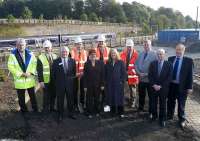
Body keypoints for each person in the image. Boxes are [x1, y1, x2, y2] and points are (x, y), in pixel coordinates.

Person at [7, 38, 38, 113]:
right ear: (16, 45)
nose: (21, 46)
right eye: (19, 45)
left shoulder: (30, 53)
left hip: (29, 79)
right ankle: (24, 112)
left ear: (25, 45)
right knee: (21, 98)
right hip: (20, 81)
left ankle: (35, 110)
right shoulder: (12, 55)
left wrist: (31, 72)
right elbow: (10, 67)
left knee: (33, 97)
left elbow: (34, 63)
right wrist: (21, 74)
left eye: (23, 45)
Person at [167, 43, 194, 128]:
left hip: (182, 86)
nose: (178, 51)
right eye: (177, 49)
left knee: (181, 103)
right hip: (171, 85)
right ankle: (169, 115)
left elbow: (190, 75)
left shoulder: (189, 61)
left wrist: (190, 87)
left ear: (183, 51)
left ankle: (181, 119)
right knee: (170, 101)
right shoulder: (170, 59)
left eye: (180, 50)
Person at [51, 46, 76, 122]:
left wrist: (72, 83)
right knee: (60, 101)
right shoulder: (55, 62)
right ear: (60, 53)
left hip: (69, 85)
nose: (64, 53)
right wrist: (57, 84)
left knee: (70, 100)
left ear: (68, 52)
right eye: (63, 52)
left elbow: (73, 73)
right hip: (60, 85)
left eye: (66, 52)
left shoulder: (72, 61)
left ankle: (71, 113)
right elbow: (53, 75)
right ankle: (60, 114)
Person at [148, 49, 172, 127]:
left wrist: (160, 86)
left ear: (164, 55)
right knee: (153, 103)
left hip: (163, 88)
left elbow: (169, 77)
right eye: (158, 54)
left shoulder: (169, 64)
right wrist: (154, 85)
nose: (159, 56)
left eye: (161, 54)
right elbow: (150, 76)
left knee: (163, 104)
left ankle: (162, 119)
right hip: (153, 87)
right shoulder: (152, 64)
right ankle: (154, 116)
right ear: (156, 55)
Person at [135, 40, 157, 117]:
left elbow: (155, 68)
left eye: (147, 45)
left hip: (149, 80)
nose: (146, 46)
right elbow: (136, 64)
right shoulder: (140, 54)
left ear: (150, 45)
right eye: (145, 45)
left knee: (151, 96)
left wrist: (147, 74)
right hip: (141, 79)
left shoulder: (154, 55)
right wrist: (139, 73)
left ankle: (151, 111)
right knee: (141, 94)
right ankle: (140, 108)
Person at [37, 40, 57, 112]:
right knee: (46, 96)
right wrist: (41, 81)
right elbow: (39, 71)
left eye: (48, 47)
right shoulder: (40, 57)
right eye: (45, 48)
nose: (47, 49)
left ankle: (52, 108)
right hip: (46, 80)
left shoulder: (55, 56)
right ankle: (45, 109)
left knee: (53, 94)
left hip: (54, 80)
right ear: (43, 48)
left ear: (51, 48)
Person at [105, 49, 126, 118]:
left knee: (120, 98)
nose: (113, 54)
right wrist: (106, 82)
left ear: (117, 54)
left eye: (114, 53)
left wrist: (122, 81)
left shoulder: (121, 62)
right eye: (111, 53)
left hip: (118, 84)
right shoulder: (108, 62)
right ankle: (113, 111)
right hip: (110, 84)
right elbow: (106, 73)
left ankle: (121, 112)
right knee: (111, 97)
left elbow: (124, 74)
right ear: (110, 55)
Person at [83, 49, 104, 118]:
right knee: (89, 99)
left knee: (97, 99)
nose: (93, 56)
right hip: (89, 86)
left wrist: (102, 84)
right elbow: (85, 76)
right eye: (91, 55)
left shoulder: (100, 63)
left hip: (98, 85)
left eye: (94, 54)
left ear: (96, 55)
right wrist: (85, 86)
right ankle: (89, 112)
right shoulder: (86, 64)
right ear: (89, 56)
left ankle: (97, 111)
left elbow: (102, 75)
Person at [70, 37, 87, 112]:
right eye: (77, 44)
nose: (79, 46)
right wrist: (75, 73)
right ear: (75, 45)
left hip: (83, 75)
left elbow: (86, 64)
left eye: (80, 44)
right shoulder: (72, 52)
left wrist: (84, 72)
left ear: (82, 44)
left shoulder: (85, 52)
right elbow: (69, 64)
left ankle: (82, 103)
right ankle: (75, 104)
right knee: (75, 90)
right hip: (75, 76)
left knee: (83, 90)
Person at [120, 39, 139, 108]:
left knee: (133, 89)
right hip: (124, 74)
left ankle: (133, 102)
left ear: (133, 46)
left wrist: (131, 71)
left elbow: (137, 65)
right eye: (128, 46)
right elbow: (120, 63)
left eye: (130, 46)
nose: (129, 48)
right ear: (126, 47)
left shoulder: (136, 55)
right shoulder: (122, 54)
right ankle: (124, 100)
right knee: (123, 88)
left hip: (132, 75)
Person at [95, 34, 110, 111]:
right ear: (98, 42)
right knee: (97, 92)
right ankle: (98, 107)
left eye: (102, 42)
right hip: (97, 75)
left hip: (107, 75)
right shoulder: (94, 50)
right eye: (99, 42)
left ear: (105, 42)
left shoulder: (109, 50)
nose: (101, 43)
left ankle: (106, 108)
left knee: (106, 92)